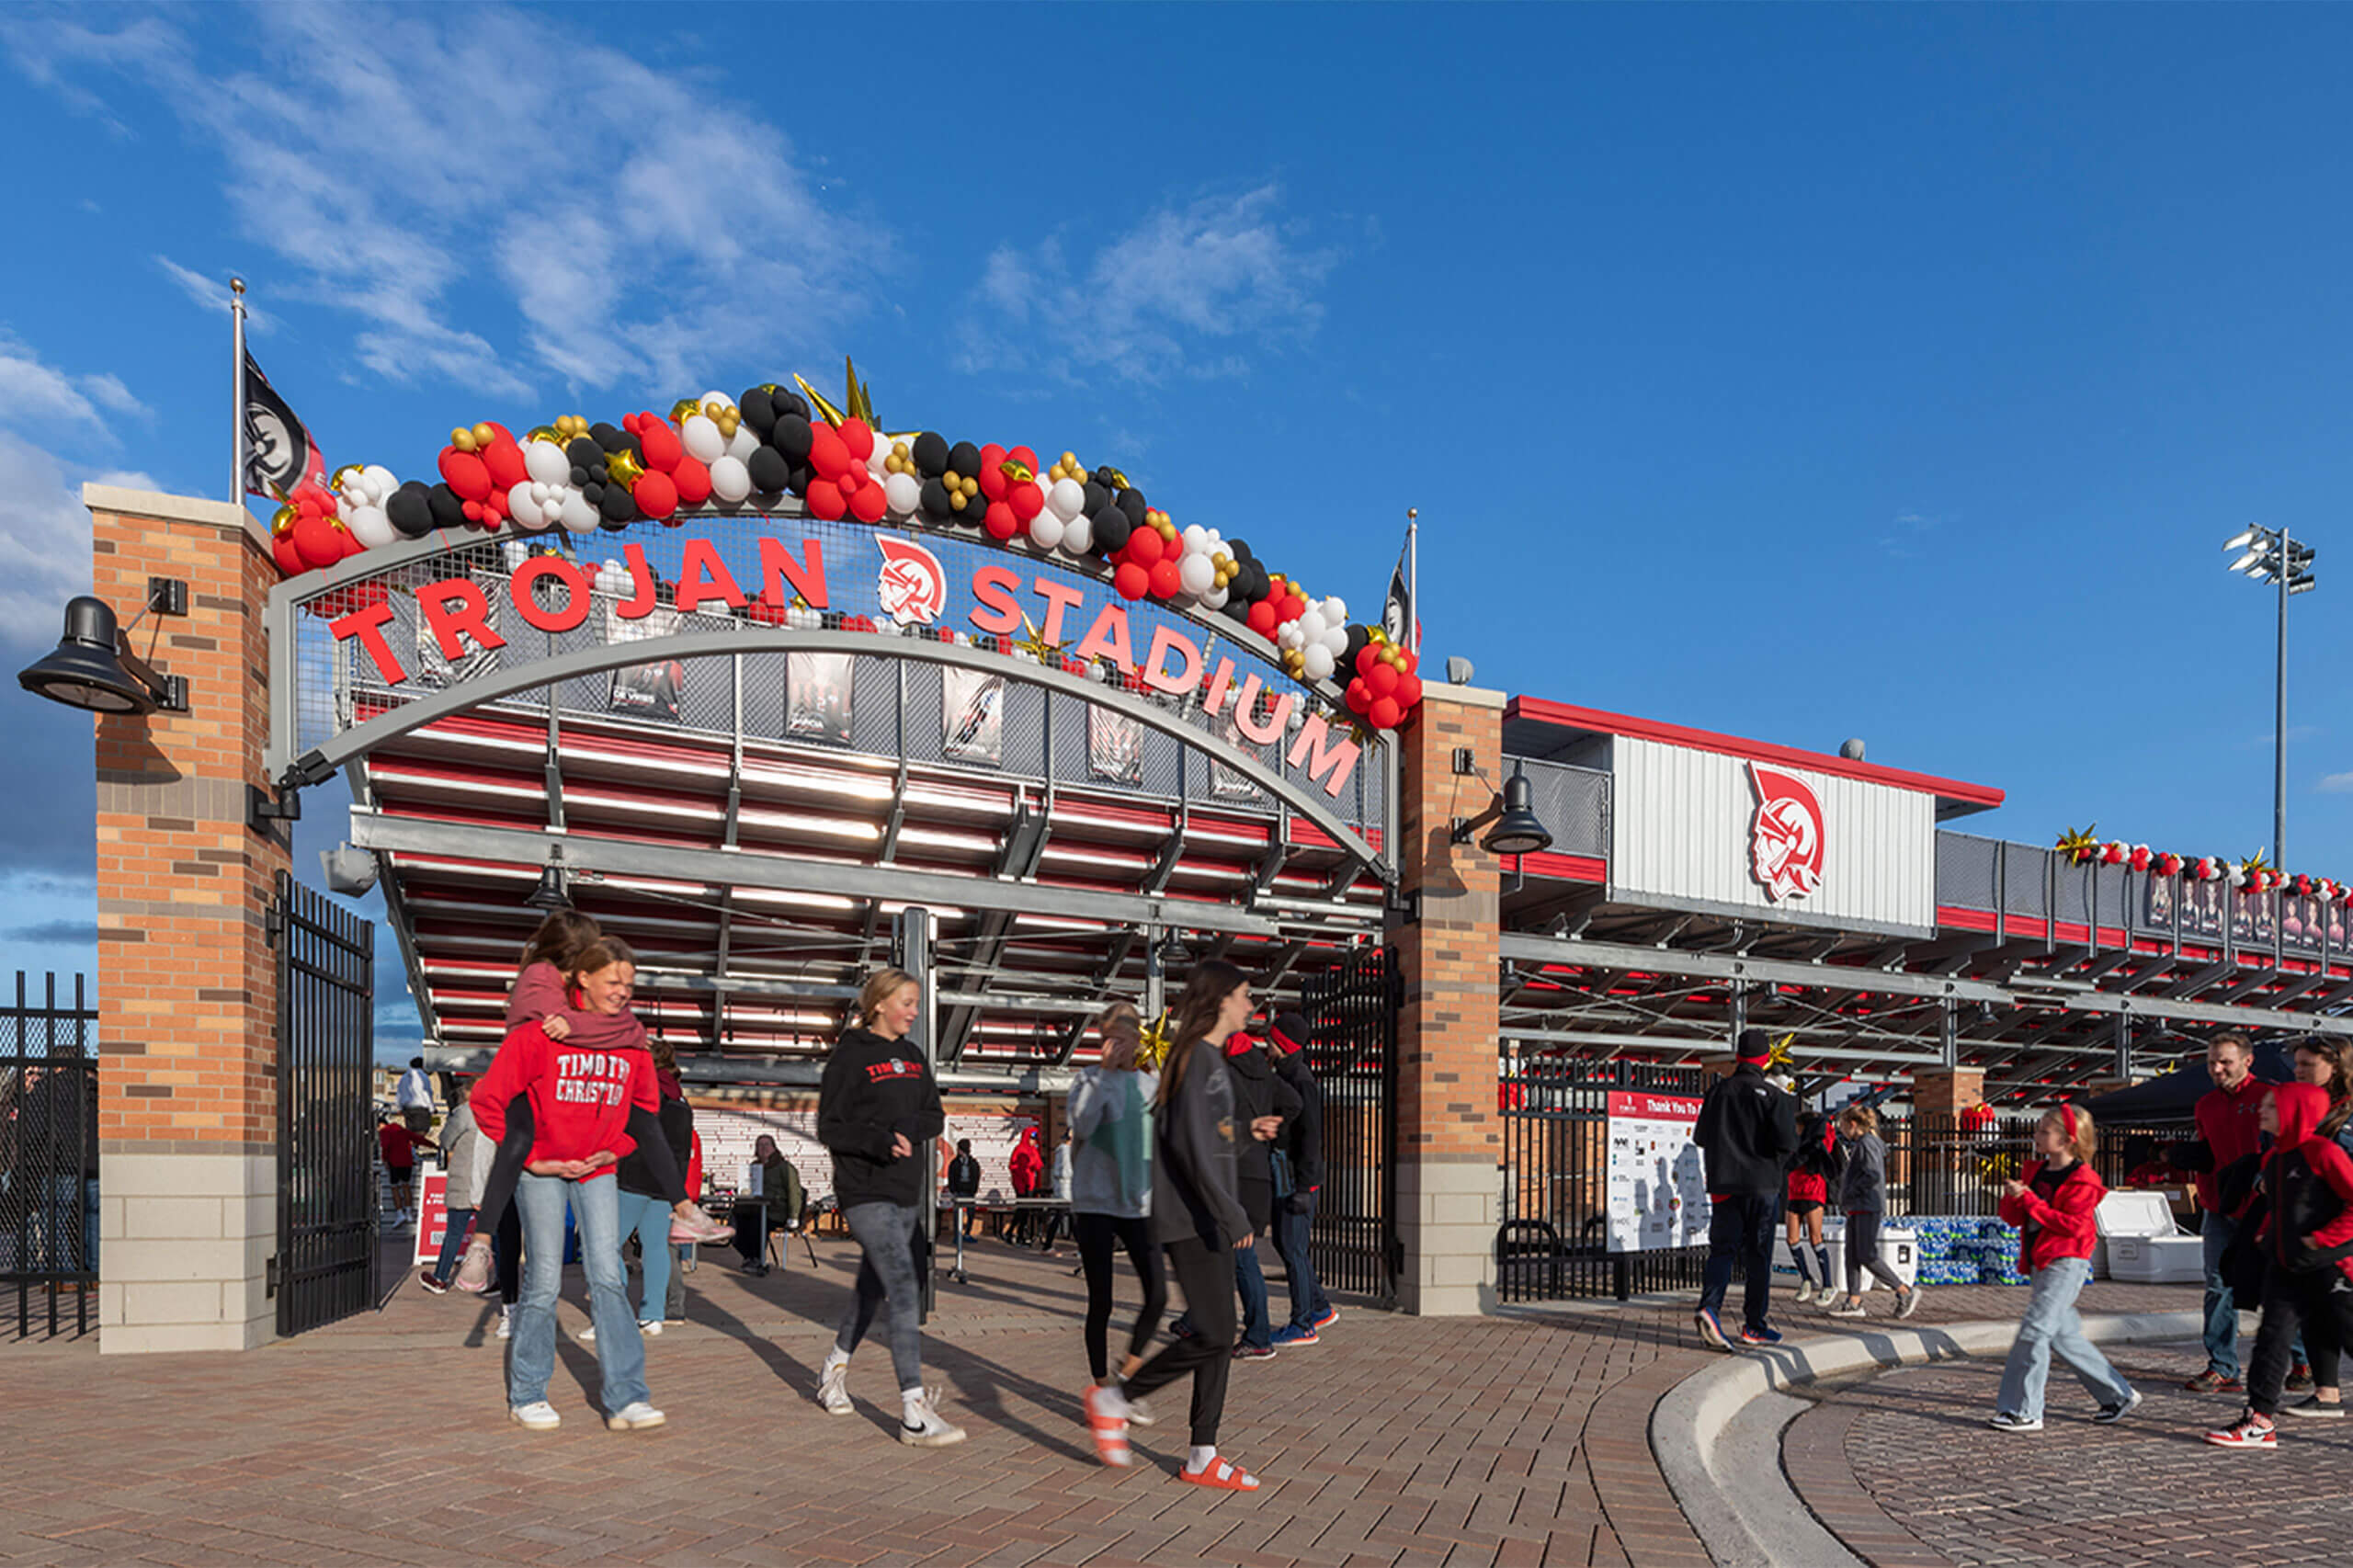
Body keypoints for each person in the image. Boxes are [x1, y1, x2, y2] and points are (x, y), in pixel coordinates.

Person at [451, 912, 730, 1293]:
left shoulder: (567, 984)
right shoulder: (542, 978)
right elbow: (570, 1025)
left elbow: (615, 1025)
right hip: (532, 1075)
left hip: (567, 1075)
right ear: (574, 956)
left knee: (645, 1121)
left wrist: (621, 1029)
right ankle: (481, 1243)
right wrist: (611, 1028)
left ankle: (684, 1209)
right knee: (517, 1141)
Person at [469, 937, 666, 1433]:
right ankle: (529, 1392)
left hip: (598, 1167)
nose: (623, 992)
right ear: (582, 978)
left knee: (608, 1275)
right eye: (613, 981)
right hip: (544, 1169)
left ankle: (626, 1397)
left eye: (630, 984)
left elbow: (645, 1112)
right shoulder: (540, 1036)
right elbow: (487, 1101)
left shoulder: (632, 1042)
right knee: (544, 1279)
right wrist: (533, 1161)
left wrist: (615, 1149)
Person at [1081, 960, 1263, 1491]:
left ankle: (1203, 1453)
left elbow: (1212, 1139)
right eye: (1245, 994)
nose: (1251, 1006)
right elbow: (1186, 1148)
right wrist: (1230, 1212)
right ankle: (1116, 1398)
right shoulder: (1193, 1059)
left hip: (1208, 1212)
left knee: (1219, 1333)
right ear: (1221, 999)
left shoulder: (1207, 1060)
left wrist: (1248, 1132)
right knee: (1213, 1331)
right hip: (1193, 1216)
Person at [814, 969, 962, 1447]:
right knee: (903, 1286)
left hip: (905, 1194)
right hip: (863, 1190)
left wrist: (908, 1129)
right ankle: (914, 1411)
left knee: (873, 1289)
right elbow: (830, 1128)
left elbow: (934, 1114)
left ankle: (834, 1368)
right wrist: (878, 1139)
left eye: (917, 1003)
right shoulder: (849, 1057)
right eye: (907, 1003)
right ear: (879, 1004)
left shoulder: (913, 1056)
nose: (914, 1012)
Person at [2205, 1082, 2353, 1449]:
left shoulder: (2322, 1152)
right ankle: (2259, 1421)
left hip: (2329, 1268)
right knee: (2270, 1342)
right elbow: (2281, 1208)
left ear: (2295, 1110)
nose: (2262, 1110)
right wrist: (2267, 1233)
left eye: (2272, 1105)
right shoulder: (2274, 1159)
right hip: (2285, 1268)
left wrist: (2322, 1239)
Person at [1986, 1106, 2137, 1433]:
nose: (2037, 1136)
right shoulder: (2035, 1171)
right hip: (2042, 1262)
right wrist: (2014, 1198)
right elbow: (2013, 1219)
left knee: (2035, 1331)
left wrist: (2030, 1202)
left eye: (2044, 1131)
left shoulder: (2084, 1179)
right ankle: (2118, 1395)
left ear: (2068, 1140)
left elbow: (2073, 1227)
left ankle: (2024, 1410)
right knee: (2064, 1337)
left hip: (2067, 1262)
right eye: (2039, 1130)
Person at [1067, 1001, 1166, 1416]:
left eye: (1122, 1040)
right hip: (1093, 1203)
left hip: (1136, 1205)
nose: (1114, 1047)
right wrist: (1105, 1078)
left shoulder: (1149, 1085)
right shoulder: (1087, 1080)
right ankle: (1102, 1387)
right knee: (1101, 1301)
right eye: (1106, 1039)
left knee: (1158, 1294)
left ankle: (1126, 1379)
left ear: (1137, 1039)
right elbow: (1084, 1127)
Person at [2171, 1033, 2269, 1392]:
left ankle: (2302, 1359)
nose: (2216, 1068)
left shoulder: (2267, 1098)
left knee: (2275, 1285)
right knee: (2216, 1285)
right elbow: (2209, 1151)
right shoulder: (2205, 1105)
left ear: (2247, 1061)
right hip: (2218, 1205)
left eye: (2224, 1061)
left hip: (2261, 1207)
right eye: (2212, 1061)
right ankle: (2223, 1365)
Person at [582, 1033, 696, 1342]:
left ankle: (611, 1313)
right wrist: (678, 1192)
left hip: (633, 1180)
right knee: (656, 1247)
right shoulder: (681, 1101)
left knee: (604, 1246)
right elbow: (683, 1152)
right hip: (665, 1186)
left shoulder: (643, 1094)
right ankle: (653, 1316)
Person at [1691, 1028, 1799, 1348]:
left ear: (1738, 1056)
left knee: (1722, 1250)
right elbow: (1786, 1144)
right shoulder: (1774, 1096)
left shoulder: (1717, 1093)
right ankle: (1754, 1325)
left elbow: (1700, 1137)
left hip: (1724, 1185)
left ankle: (1710, 1307)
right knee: (1758, 1256)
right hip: (1761, 1186)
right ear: (1766, 1059)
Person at [1222, 1022, 1300, 1359]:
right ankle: (1199, 1321)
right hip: (1259, 1178)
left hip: (1235, 1175)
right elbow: (1294, 1103)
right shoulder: (1265, 1074)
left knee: (1241, 1257)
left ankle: (1257, 1335)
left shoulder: (1224, 1075)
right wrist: (1276, 1130)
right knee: (1230, 1254)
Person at [1265, 1012, 1336, 1347]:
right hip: (1288, 1175)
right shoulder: (1286, 1075)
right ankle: (1319, 1307)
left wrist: (1305, 1187)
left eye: (1270, 1040)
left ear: (1282, 1044)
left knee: (1293, 1247)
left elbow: (1310, 1138)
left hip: (1298, 1178)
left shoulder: (1301, 1081)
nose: (1266, 1045)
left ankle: (1303, 1323)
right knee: (1286, 1243)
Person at [1826, 1104, 1920, 1320]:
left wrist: (1850, 1191)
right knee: (1852, 1255)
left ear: (1853, 1124)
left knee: (1866, 1254)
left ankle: (1903, 1290)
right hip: (1858, 1206)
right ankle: (1854, 1300)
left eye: (1842, 1125)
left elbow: (1872, 1175)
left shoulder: (1867, 1144)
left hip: (1866, 1206)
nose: (1840, 1129)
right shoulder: (1864, 1144)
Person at [421, 1085, 487, 1294]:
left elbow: (445, 1139)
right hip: (490, 1181)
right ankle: (500, 1282)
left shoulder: (465, 1113)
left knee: (454, 1233)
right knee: (493, 1234)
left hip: (465, 1181)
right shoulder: (497, 1111)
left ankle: (440, 1277)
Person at [1784, 1110, 1840, 1305]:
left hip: (1813, 1190)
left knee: (1815, 1237)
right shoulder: (1797, 1142)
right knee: (1791, 1238)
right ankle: (1806, 1279)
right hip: (1794, 1191)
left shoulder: (1817, 1141)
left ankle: (1828, 1285)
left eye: (1798, 1127)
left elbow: (1825, 1145)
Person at [733, 1134, 804, 1276]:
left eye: (767, 1144)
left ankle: (757, 1260)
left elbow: (794, 1192)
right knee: (735, 1222)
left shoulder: (785, 1167)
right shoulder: (753, 1167)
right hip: (755, 1208)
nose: (763, 1148)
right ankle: (749, 1256)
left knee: (757, 1224)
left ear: (774, 1147)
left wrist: (794, 1216)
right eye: (760, 1145)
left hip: (777, 1211)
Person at [378, 1113, 433, 1227]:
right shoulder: (402, 1131)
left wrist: (385, 1160)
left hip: (394, 1162)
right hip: (407, 1162)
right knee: (406, 1186)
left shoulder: (385, 1132)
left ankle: (400, 1213)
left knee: (394, 1187)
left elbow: (385, 1146)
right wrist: (434, 1146)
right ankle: (409, 1212)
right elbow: (418, 1139)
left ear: (381, 1125)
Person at [1039, 1130, 1075, 1254]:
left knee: (1070, 1217)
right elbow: (1065, 1171)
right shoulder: (1066, 1151)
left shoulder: (1063, 1151)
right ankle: (1047, 1245)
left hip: (1065, 1189)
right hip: (1066, 1190)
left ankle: (1048, 1245)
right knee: (1065, 1216)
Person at [1009, 1127, 1045, 1244]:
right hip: (1021, 1184)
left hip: (1030, 1184)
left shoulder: (1033, 1150)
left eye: (1035, 1139)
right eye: (1032, 1138)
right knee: (1022, 1209)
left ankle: (1017, 1234)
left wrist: (1033, 1165)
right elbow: (1015, 1167)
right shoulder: (1020, 1149)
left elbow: (1039, 1164)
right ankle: (1014, 1233)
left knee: (1025, 1210)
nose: (1034, 1141)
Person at [947, 1138, 983, 1237]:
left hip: (969, 1191)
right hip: (959, 1191)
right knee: (957, 1214)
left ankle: (967, 1233)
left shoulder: (972, 1163)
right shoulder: (955, 1163)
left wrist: (974, 1189)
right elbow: (951, 1176)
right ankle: (957, 1235)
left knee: (971, 1212)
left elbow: (976, 1176)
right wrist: (953, 1189)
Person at [395, 1055, 435, 1136]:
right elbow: (426, 1093)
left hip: (407, 1109)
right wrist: (432, 1108)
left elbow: (399, 1093)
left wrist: (399, 1107)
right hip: (421, 1110)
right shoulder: (423, 1077)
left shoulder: (404, 1077)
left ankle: (411, 1147)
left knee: (411, 1133)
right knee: (421, 1132)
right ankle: (413, 1147)